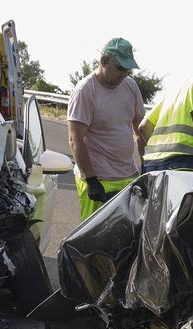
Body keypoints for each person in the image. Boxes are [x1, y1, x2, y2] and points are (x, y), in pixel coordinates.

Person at [67, 38, 146, 220]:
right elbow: (75, 139)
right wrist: (91, 180)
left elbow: (140, 130)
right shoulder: (85, 91)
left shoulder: (130, 86)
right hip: (99, 180)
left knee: (129, 232)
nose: (124, 74)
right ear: (104, 61)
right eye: (120, 68)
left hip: (128, 176)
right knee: (96, 233)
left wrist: (146, 164)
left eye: (128, 70)